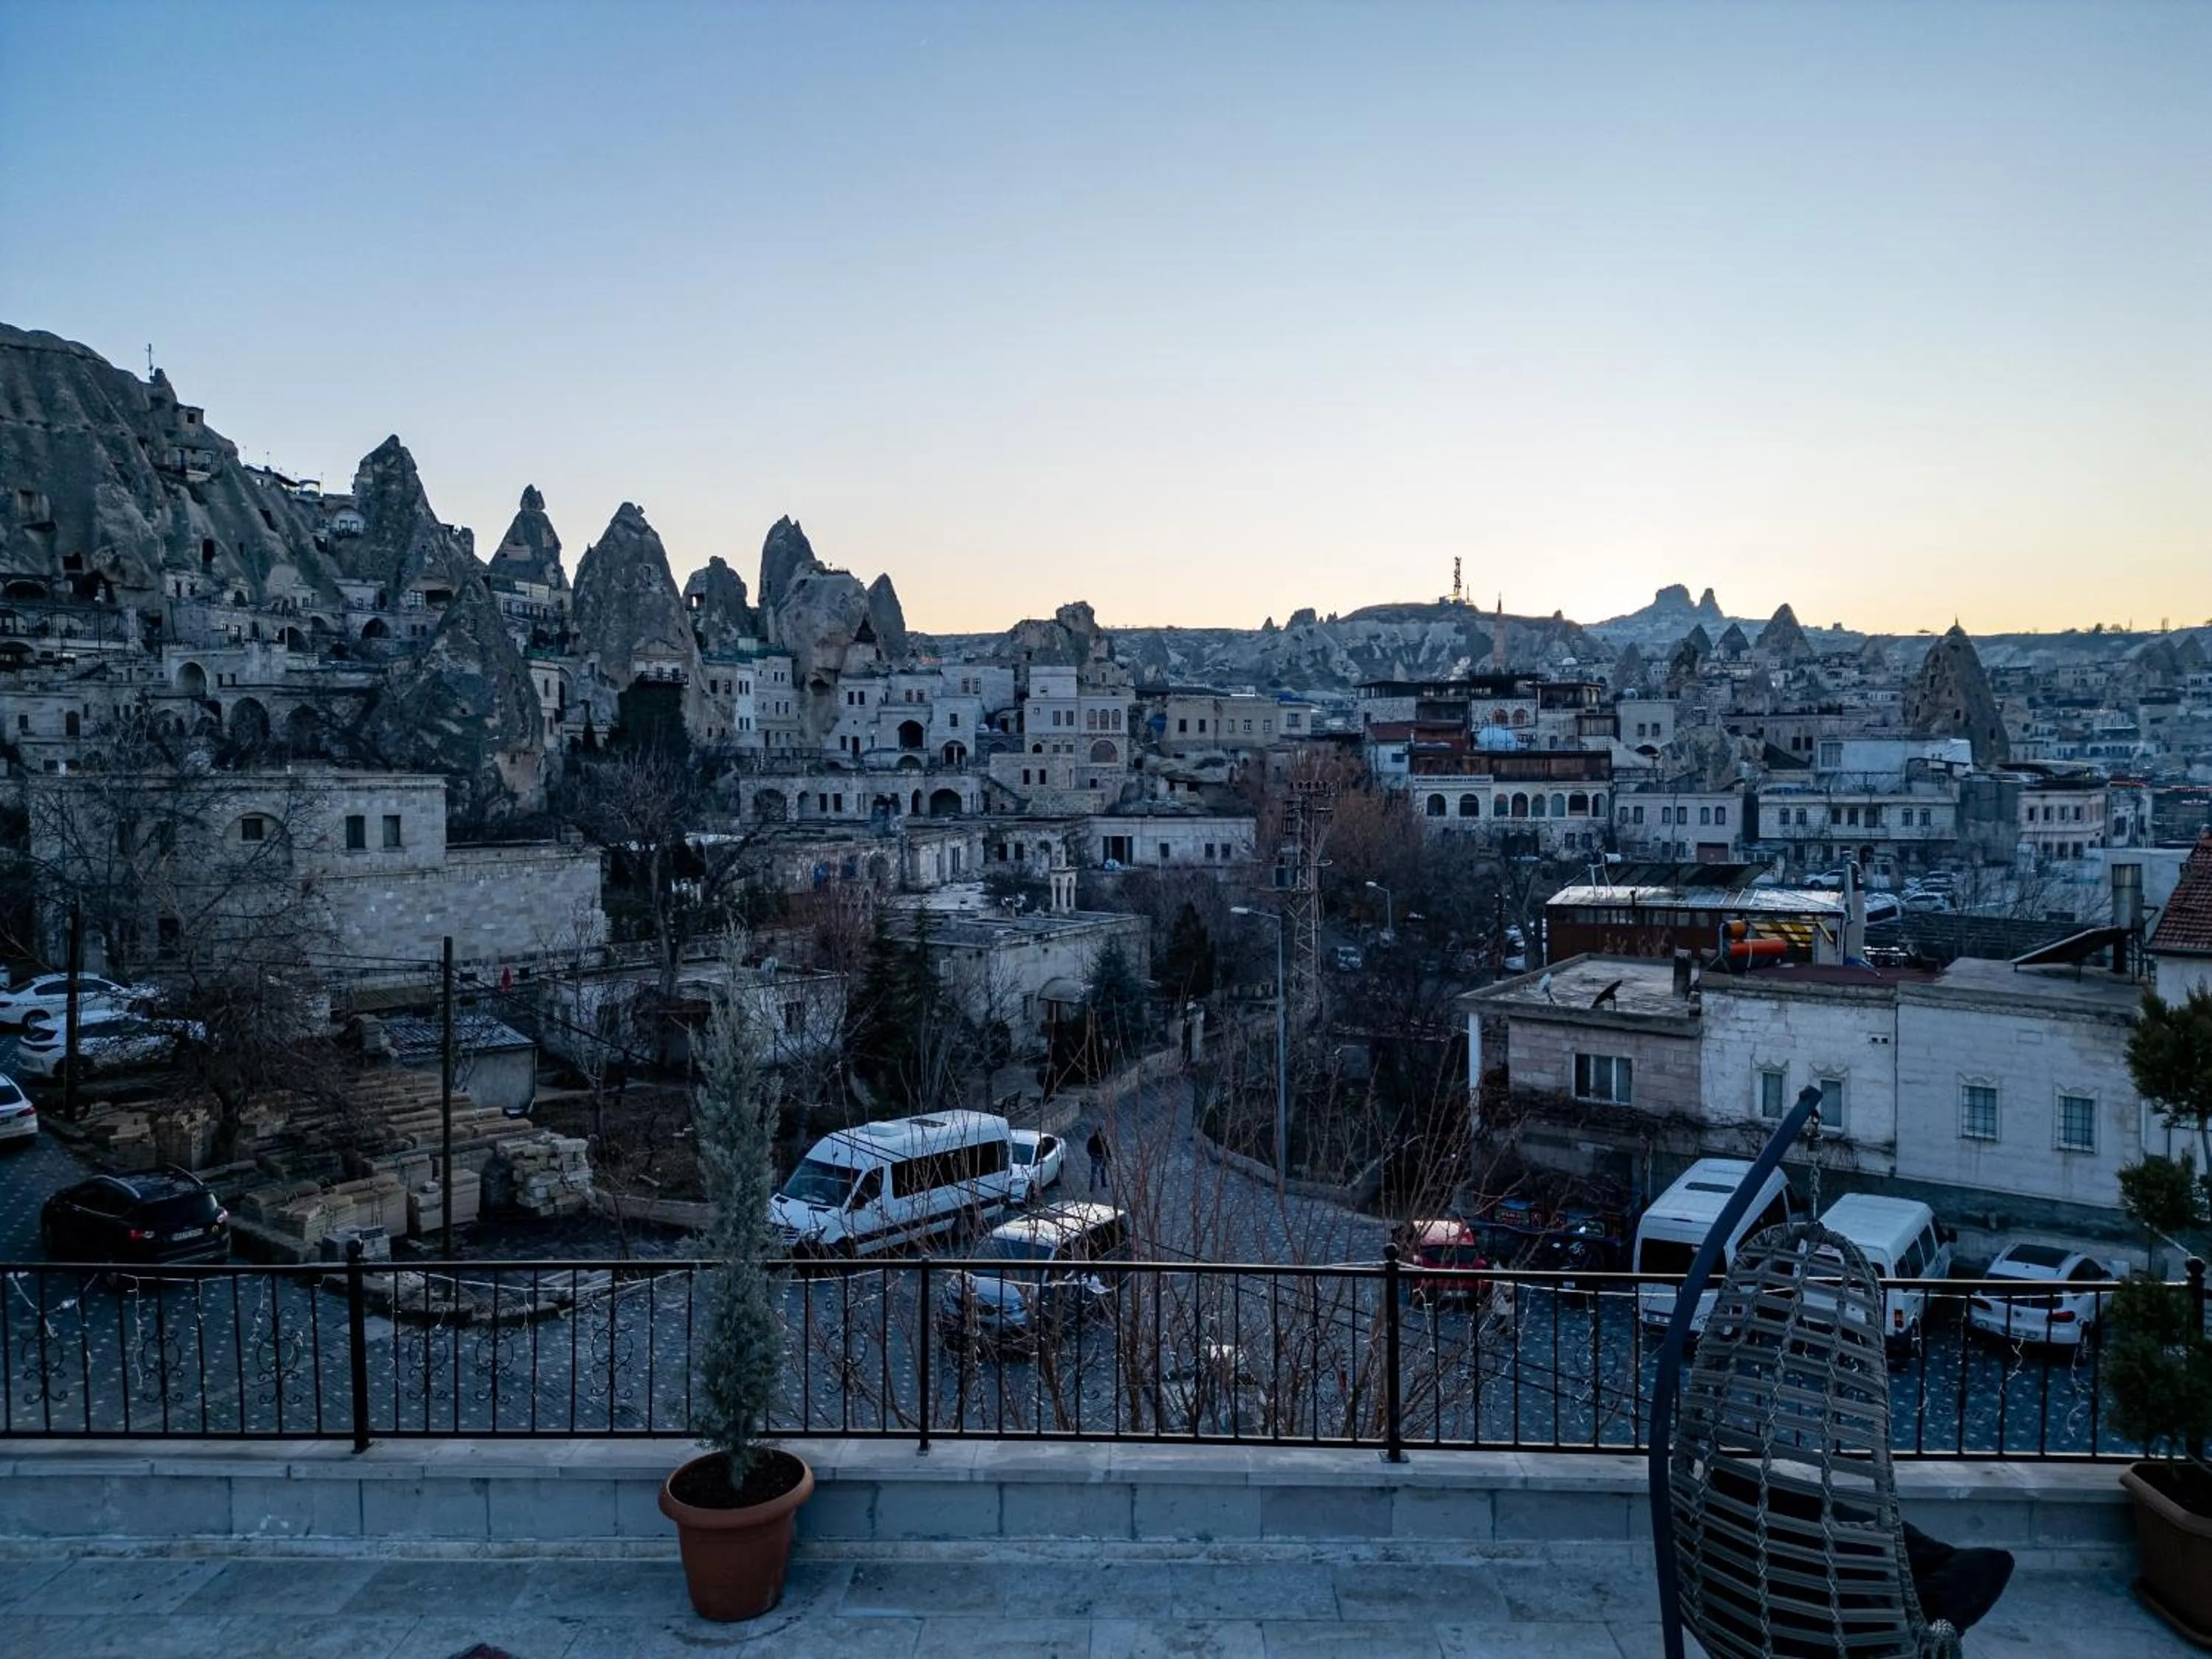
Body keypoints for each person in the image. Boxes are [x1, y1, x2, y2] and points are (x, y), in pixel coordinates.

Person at [1085, 1127, 1111, 1192]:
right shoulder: (1103, 1139)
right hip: (1102, 1157)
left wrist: (1092, 1155)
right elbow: (1107, 1149)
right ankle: (1103, 1184)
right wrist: (1109, 1157)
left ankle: (1091, 1186)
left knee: (1093, 1173)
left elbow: (1088, 1149)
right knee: (1102, 1171)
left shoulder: (1091, 1139)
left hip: (1094, 1158)